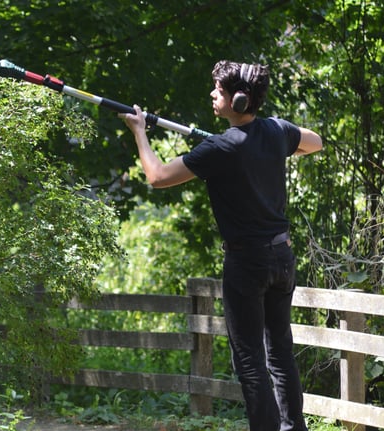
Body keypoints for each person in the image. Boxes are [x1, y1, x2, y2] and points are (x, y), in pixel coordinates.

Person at [120, 60, 323, 431]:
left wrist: (139, 132)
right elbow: (315, 143)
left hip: (247, 264)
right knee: (280, 354)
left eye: (218, 90)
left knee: (249, 362)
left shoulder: (220, 148)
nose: (213, 94)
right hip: (282, 257)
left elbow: (157, 175)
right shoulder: (276, 131)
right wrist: (270, 146)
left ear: (240, 100)